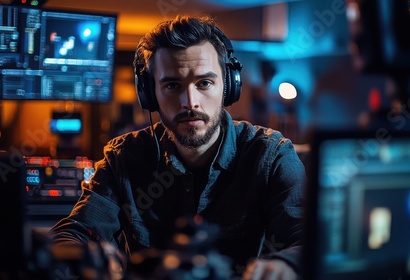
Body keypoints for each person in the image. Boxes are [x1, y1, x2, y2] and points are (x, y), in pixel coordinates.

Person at [49, 15, 306, 280]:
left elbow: (306, 240)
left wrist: (286, 265)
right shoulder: (124, 156)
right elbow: (74, 232)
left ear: (228, 86)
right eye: (172, 85)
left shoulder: (271, 155)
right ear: (150, 94)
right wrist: (85, 258)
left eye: (204, 83)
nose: (190, 102)